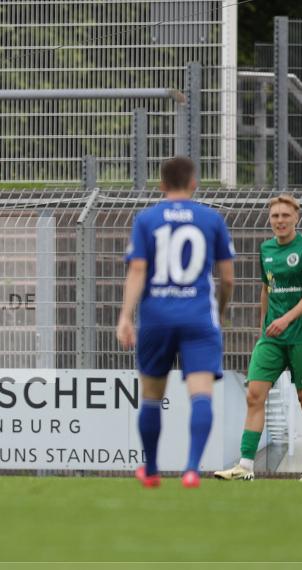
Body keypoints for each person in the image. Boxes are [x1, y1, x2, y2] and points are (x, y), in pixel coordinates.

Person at [117, 156, 235, 489]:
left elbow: (137, 270)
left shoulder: (147, 219)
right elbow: (227, 279)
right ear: (194, 183)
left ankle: (151, 470)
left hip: (156, 317)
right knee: (201, 394)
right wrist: (220, 311)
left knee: (152, 395)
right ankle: (192, 469)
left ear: (162, 185)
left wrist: (126, 316)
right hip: (198, 316)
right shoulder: (211, 219)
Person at [215, 194, 302, 482]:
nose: (279, 221)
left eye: (285, 216)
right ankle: (245, 466)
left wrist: (286, 318)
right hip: (272, 338)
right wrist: (263, 327)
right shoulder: (265, 249)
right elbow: (266, 290)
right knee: (254, 395)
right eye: (275, 216)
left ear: (296, 218)